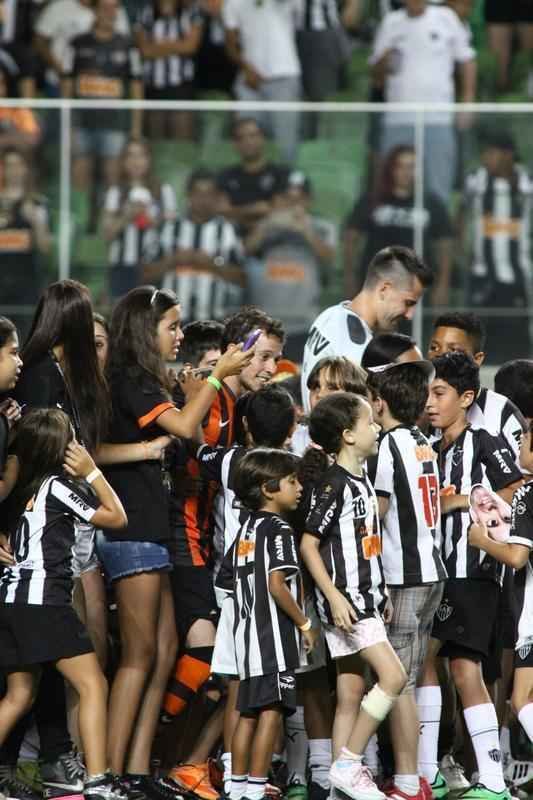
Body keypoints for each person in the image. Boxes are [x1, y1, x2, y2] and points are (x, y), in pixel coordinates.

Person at [97, 286, 253, 797]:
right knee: (141, 657)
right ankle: (109, 774)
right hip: (134, 531)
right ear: (147, 330)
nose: (180, 335)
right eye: (172, 326)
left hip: (152, 530)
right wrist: (216, 376)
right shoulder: (132, 380)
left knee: (164, 653)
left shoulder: (143, 380)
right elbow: (187, 425)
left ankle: (138, 769)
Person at [0, 409, 127, 800]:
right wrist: (92, 471)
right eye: (72, 438)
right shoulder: (56, 486)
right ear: (60, 449)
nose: (78, 445)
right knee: (93, 684)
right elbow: (116, 517)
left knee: (19, 695)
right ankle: (99, 780)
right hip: (44, 604)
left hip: (10, 602)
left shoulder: (19, 489)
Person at [418, 352, 523, 800]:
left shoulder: (484, 441)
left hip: (473, 572)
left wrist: (462, 502)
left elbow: (516, 488)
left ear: (467, 397)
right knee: (445, 667)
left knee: (447, 666)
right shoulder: (430, 445)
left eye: (440, 393)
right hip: (442, 571)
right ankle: (449, 773)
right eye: (427, 393)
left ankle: (453, 774)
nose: (430, 402)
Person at [300, 392, 407, 800]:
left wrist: (380, 591)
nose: (377, 428)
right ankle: (348, 765)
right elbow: (309, 544)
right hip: (347, 602)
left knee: (349, 693)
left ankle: (335, 789)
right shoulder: (333, 484)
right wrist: (334, 595)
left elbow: (365, 545)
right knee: (393, 676)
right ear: (347, 435)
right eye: (369, 424)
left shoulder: (362, 479)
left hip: (365, 597)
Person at [217, 448, 316, 800]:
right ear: (268, 488)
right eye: (292, 481)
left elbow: (224, 583)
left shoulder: (244, 529)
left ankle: (238, 787)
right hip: (273, 639)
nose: (299, 487)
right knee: (272, 712)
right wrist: (304, 623)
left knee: (247, 712)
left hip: (246, 640)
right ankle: (257, 790)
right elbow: (277, 584)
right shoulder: (279, 529)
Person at [367, 361, 446, 800]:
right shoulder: (420, 441)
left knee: (398, 682)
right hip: (431, 571)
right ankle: (409, 777)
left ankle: (406, 781)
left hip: (404, 576)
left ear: (380, 402)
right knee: (406, 679)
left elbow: (378, 512)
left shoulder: (388, 444)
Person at [301, 245, 433, 413]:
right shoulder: (356, 344)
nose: (409, 315)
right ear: (384, 289)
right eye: (408, 303)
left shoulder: (330, 314)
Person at [370, 0, 476, 204]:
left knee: (438, 182)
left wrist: (467, 99)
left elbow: (467, 60)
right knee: (391, 182)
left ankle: (437, 233)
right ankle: (390, 228)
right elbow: (376, 75)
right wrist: (384, 60)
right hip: (398, 117)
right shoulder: (391, 22)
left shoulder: (445, 18)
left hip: (437, 116)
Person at [468, 428, 533, 754]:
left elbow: (518, 557)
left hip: (532, 616)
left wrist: (482, 540)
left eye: (522, 440)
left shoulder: (527, 494)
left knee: (521, 699)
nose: (518, 446)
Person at [244, 170, 336, 362]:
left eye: (299, 198)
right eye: (287, 198)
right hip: (265, 323)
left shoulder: (322, 227)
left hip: (304, 323)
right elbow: (245, 252)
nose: (293, 204)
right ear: (276, 200)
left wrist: (305, 230)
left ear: (308, 201)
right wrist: (268, 223)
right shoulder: (265, 226)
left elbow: (329, 259)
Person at [343, 145, 453, 303]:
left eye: (411, 167)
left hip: (416, 288)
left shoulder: (431, 203)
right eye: (400, 166)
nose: (406, 172)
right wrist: (349, 276)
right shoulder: (372, 200)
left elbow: (445, 246)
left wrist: (443, 284)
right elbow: (351, 237)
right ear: (391, 169)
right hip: (377, 285)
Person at [459, 131, 533, 363]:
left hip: (517, 274)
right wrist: (462, 250)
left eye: (491, 153)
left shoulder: (527, 182)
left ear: (508, 155)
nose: (486, 158)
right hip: (483, 273)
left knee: (517, 338)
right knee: (480, 335)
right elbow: (460, 215)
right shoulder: (476, 179)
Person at [61, 0, 144, 192]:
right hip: (82, 122)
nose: (110, 12)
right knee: (81, 170)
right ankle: (77, 219)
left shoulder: (128, 45)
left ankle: (109, 215)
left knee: (112, 173)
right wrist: (69, 124)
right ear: (95, 11)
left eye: (115, 7)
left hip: (114, 122)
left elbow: (137, 87)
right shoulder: (76, 43)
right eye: (105, 7)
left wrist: (136, 128)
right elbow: (66, 85)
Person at [144, 168, 244, 323]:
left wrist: (212, 264)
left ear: (217, 197)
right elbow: (146, 273)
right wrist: (173, 260)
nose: (203, 200)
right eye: (198, 194)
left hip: (214, 321)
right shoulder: (168, 228)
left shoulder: (227, 230)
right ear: (189, 195)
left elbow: (241, 278)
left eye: (209, 194)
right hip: (173, 321)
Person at [427, 312, 527, 463]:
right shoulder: (421, 409)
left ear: (477, 359)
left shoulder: (502, 412)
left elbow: (525, 473)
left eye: (453, 350)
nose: (441, 356)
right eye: (434, 347)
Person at [223, 0, 302, 164]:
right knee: (245, 136)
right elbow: (231, 45)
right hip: (250, 80)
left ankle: (286, 184)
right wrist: (246, 68)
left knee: (286, 142)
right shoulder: (232, 3)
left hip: (284, 75)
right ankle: (248, 182)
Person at [102, 137, 176, 300]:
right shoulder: (116, 192)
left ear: (149, 159)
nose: (136, 161)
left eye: (141, 155)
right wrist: (126, 216)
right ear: (123, 161)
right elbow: (107, 235)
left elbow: (173, 230)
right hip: (122, 267)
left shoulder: (163, 190)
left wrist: (154, 221)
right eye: (131, 156)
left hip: (154, 266)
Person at [135, 0, 203, 140]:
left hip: (181, 86)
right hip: (153, 87)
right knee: (156, 138)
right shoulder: (145, 14)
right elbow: (144, 51)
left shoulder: (190, 14)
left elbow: (191, 47)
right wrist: (177, 45)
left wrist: (158, 46)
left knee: (182, 139)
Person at [0, 148, 52, 331]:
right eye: (9, 165)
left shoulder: (38, 202)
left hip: (27, 284)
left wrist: (36, 222)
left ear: (25, 169)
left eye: (18, 165)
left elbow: (46, 247)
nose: (13, 170)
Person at [33, 0, 130, 95]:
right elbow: (39, 40)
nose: (109, 12)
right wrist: (61, 71)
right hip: (58, 81)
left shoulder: (113, 7)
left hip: (109, 88)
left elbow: (123, 45)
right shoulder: (59, 7)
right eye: (104, 9)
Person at [217, 118, 290, 238]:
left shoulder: (280, 173)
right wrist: (255, 209)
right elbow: (221, 211)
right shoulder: (225, 175)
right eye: (241, 137)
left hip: (272, 239)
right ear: (235, 144)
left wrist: (237, 212)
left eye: (253, 136)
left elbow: (277, 210)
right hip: (232, 237)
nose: (248, 142)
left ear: (263, 139)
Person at [291, 356, 367, 458]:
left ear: (354, 396)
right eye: (316, 387)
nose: (320, 394)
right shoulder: (294, 441)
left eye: (332, 388)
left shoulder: (370, 443)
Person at [484, 1, 533, 94]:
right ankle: (501, 90)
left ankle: (526, 91)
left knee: (527, 57)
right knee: (499, 64)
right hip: (499, 6)